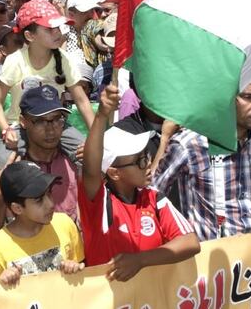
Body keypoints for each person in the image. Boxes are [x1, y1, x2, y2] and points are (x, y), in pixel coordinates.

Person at [79, 84, 200, 278]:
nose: (148, 163)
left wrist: (140, 260)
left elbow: (190, 242)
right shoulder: (98, 203)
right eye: (140, 160)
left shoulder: (154, 198)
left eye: (147, 155)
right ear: (114, 173)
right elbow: (90, 169)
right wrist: (102, 115)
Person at [154, 77, 251, 240]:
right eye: (248, 97)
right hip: (211, 258)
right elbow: (152, 195)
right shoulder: (190, 144)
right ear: (226, 99)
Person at [0, 0, 93, 149]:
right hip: (20, 126)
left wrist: (94, 136)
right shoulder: (15, 61)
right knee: (5, 164)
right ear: (30, 36)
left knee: (89, 156)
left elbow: (82, 101)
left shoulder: (65, 59)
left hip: (56, 126)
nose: (57, 32)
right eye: (50, 29)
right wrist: (6, 129)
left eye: (58, 27)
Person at [0, 85, 81, 235]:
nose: (51, 129)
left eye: (56, 119)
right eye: (40, 121)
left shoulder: (75, 162)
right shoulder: (6, 165)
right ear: (23, 121)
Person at [0, 161, 85, 289]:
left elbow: (82, 273)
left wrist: (74, 268)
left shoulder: (65, 224)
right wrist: (3, 282)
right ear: (17, 208)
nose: (50, 204)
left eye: (49, 193)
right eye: (39, 200)